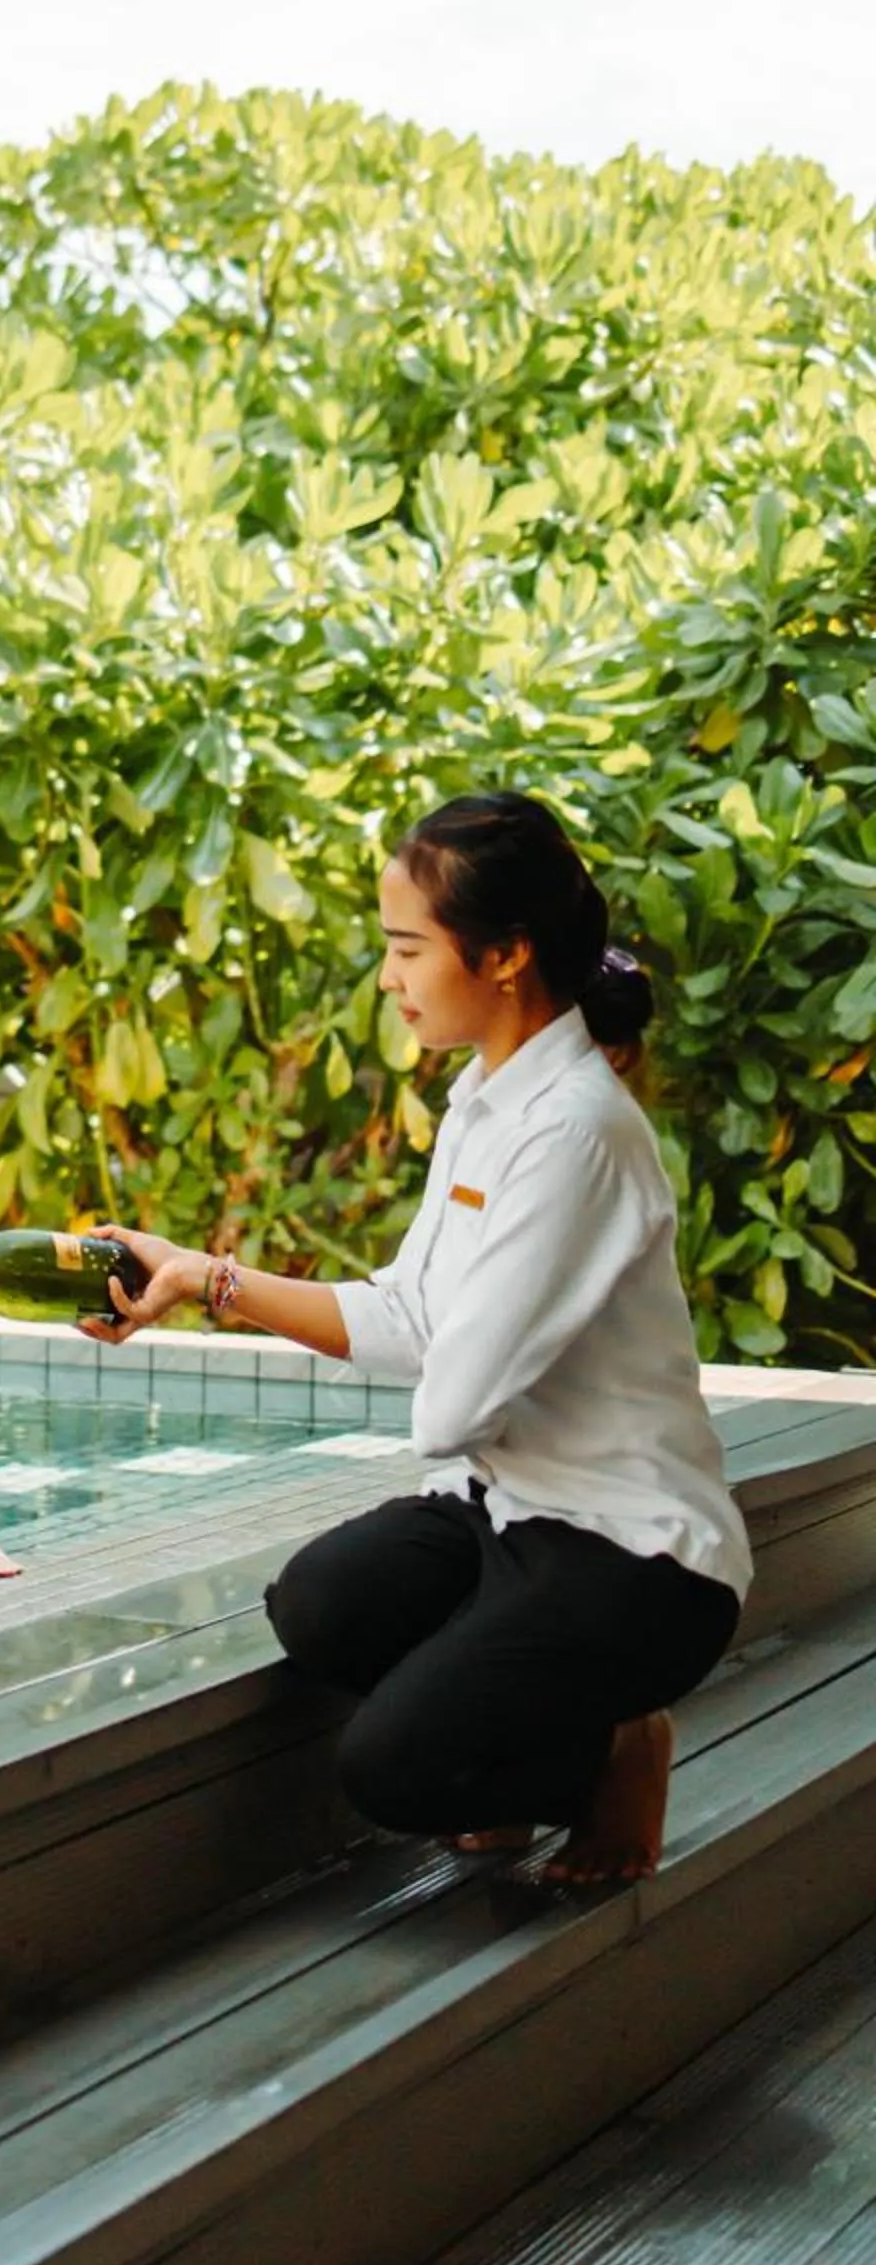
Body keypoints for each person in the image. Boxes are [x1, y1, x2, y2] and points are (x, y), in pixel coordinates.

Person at [84, 792, 748, 1887]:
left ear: (505, 954)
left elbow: (452, 1409)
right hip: (514, 1516)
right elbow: (407, 1316)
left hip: (639, 1559)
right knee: (319, 1606)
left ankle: (619, 1747)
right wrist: (202, 1279)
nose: (389, 979)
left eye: (405, 949)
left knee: (394, 1769)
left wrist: (438, 1362)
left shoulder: (576, 1132)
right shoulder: (484, 1100)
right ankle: (521, 1713)